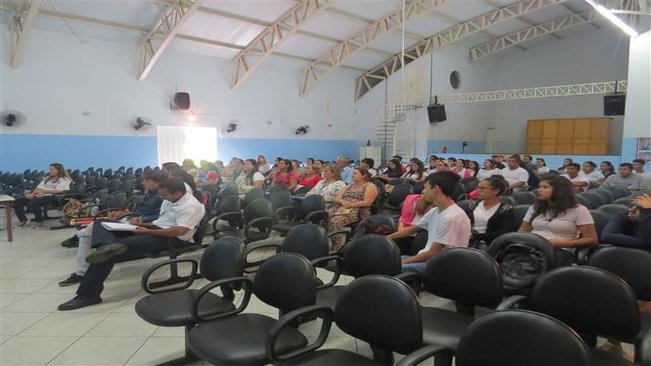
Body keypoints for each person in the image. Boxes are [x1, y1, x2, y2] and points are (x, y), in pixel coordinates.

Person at [57, 178, 205, 310]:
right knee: (101, 223)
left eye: (165, 194)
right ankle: (109, 244)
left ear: (178, 192)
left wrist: (148, 232)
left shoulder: (192, 206)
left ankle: (88, 295)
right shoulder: (171, 200)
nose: (162, 197)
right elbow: (162, 221)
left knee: (106, 254)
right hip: (155, 230)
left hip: (171, 240)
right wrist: (144, 224)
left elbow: (180, 230)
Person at [58, 170, 167, 287]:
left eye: (147, 181)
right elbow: (142, 210)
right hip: (131, 220)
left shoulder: (163, 196)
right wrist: (128, 213)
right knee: (94, 228)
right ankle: (81, 267)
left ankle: (81, 269)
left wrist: (141, 220)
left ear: (158, 183)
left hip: (142, 225)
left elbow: (160, 217)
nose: (143, 183)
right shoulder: (150, 193)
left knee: (88, 233)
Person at [388, 171, 471, 274]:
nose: (423, 191)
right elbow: (411, 230)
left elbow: (433, 253)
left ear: (436, 189)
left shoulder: (451, 217)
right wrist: (386, 238)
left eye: (426, 187)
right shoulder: (435, 211)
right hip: (427, 259)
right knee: (384, 260)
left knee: (388, 268)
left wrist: (404, 261)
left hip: (440, 266)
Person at [518, 174, 598, 266]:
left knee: (535, 265)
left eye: (545, 187)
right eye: (539, 187)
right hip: (532, 247)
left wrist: (565, 243)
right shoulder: (535, 207)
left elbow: (591, 239)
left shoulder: (579, 210)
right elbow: (523, 230)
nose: (539, 190)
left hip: (559, 250)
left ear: (559, 190)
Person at [327, 167, 378, 252]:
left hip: (358, 210)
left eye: (355, 173)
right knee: (324, 216)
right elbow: (337, 197)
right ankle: (327, 243)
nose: (352, 175)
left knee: (335, 221)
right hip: (342, 207)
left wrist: (351, 205)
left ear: (364, 175)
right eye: (352, 173)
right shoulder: (349, 185)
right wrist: (343, 202)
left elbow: (367, 202)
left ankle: (337, 247)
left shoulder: (370, 186)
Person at [462, 176, 515, 248]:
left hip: (489, 244)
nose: (478, 190)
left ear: (496, 191)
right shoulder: (472, 205)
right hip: (467, 240)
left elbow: (505, 233)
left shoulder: (506, 210)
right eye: (477, 188)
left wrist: (476, 236)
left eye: (482, 188)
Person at [15, 163, 72, 227]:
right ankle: (23, 220)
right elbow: (38, 188)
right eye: (49, 169)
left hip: (54, 196)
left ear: (58, 170)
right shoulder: (48, 178)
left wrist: (43, 191)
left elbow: (59, 191)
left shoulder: (64, 179)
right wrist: (32, 194)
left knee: (34, 202)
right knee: (18, 201)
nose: (49, 171)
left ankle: (39, 221)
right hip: (40, 195)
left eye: (52, 169)